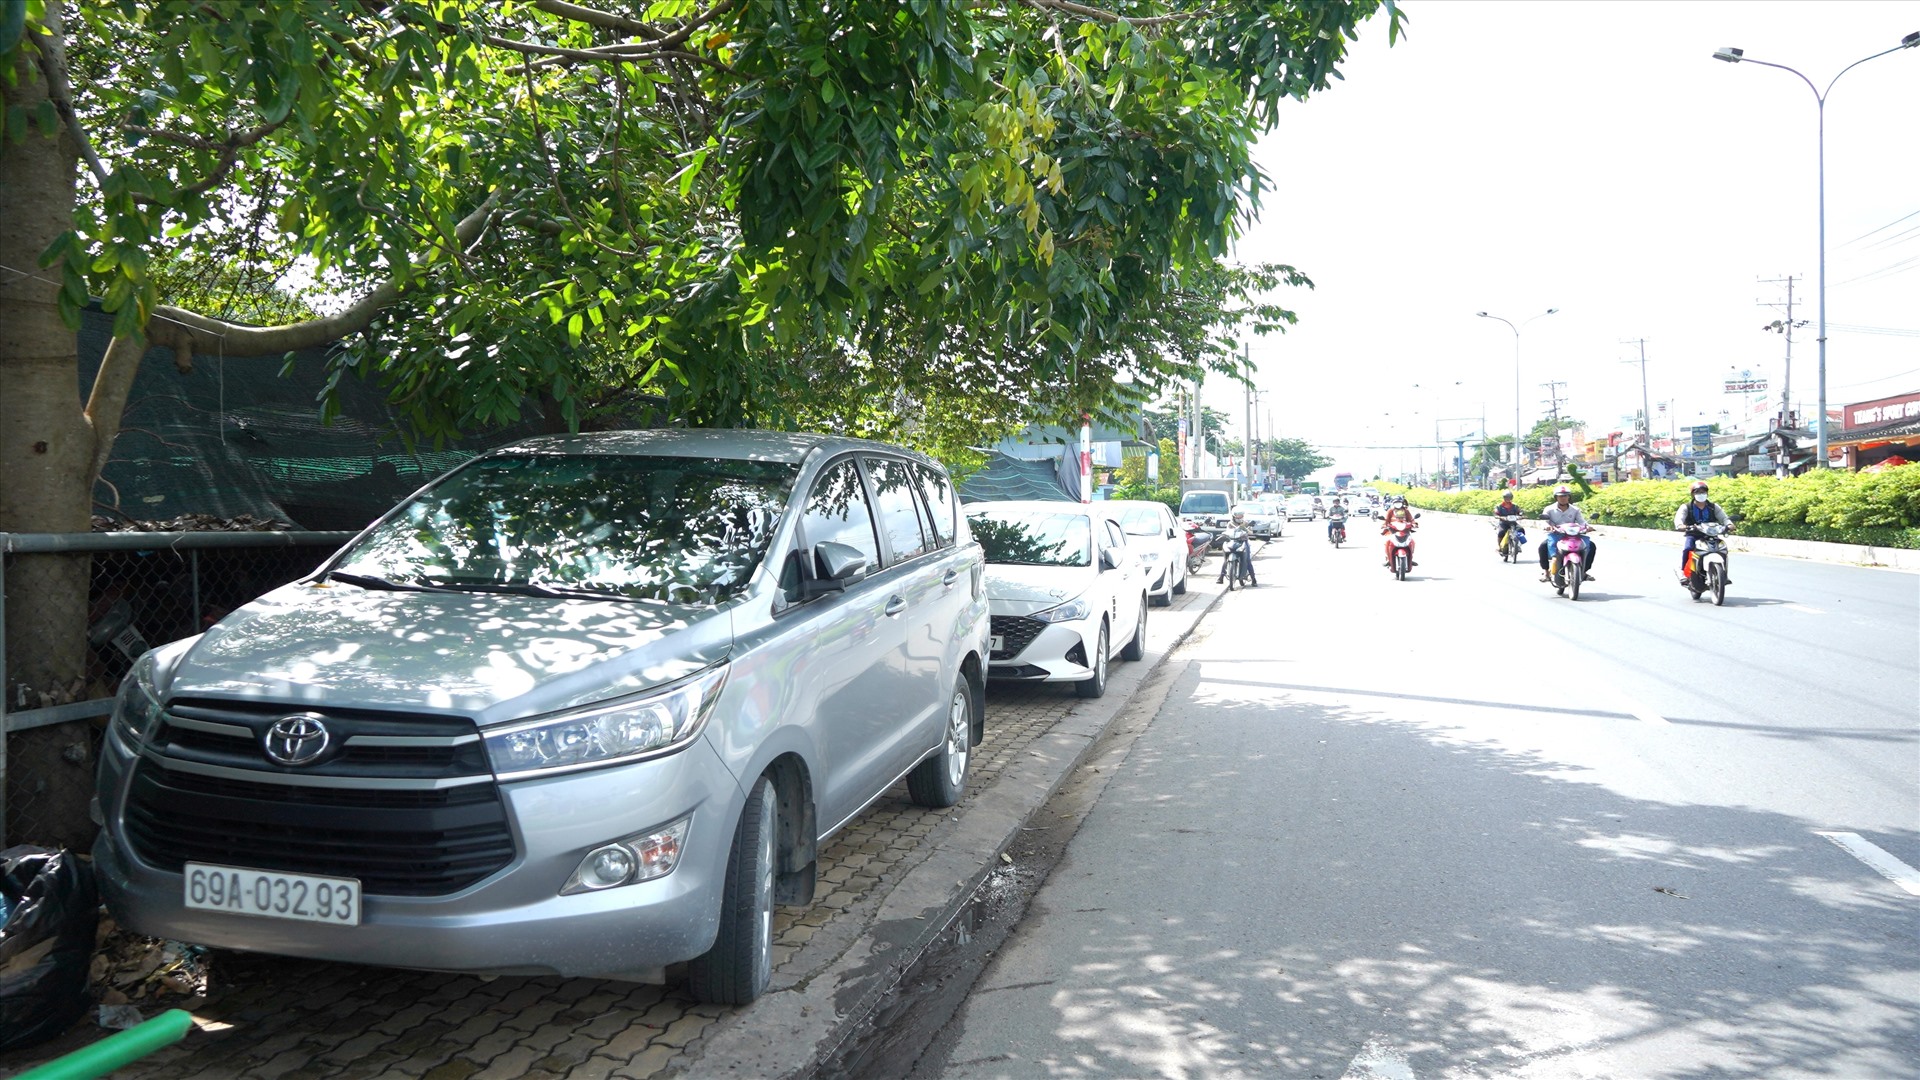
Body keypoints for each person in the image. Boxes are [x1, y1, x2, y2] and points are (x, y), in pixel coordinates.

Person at [1674, 479, 1734, 583]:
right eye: (1698, 492)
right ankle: (1683, 571)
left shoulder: (1713, 507)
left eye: (1703, 492)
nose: (1701, 494)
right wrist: (1681, 525)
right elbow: (1679, 519)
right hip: (1694, 534)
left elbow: (1724, 518)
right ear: (1692, 494)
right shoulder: (1686, 507)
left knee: (1723, 550)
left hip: (1711, 535)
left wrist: (1729, 524)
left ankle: (1724, 575)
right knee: (1688, 548)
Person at [1537, 484, 1597, 581]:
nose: (1563, 498)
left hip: (1572, 535)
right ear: (1556, 497)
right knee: (1543, 546)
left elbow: (1582, 521)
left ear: (1569, 497)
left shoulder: (1575, 509)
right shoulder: (1549, 509)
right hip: (1556, 534)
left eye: (1565, 496)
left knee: (1591, 546)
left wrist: (1588, 527)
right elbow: (1544, 521)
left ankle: (1584, 572)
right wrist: (1547, 526)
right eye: (1560, 496)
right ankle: (1546, 572)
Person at [1216, 509, 1257, 586]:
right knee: (1225, 559)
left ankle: (1253, 578)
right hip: (1232, 541)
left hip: (1243, 542)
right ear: (1234, 516)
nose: (1240, 517)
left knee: (1247, 559)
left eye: (1241, 516)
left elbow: (1251, 532)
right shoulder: (1230, 523)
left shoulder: (1246, 523)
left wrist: (1246, 529)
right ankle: (1221, 576)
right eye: (1238, 516)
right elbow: (1227, 531)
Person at [1380, 496, 1416, 567]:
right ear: (1393, 503)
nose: (1398, 504)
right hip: (1392, 531)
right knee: (1387, 541)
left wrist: (1414, 524)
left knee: (1412, 542)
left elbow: (1411, 520)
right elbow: (1386, 520)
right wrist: (1384, 525)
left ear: (1402, 503)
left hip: (1405, 531)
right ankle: (1388, 559)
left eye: (1399, 502)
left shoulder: (1406, 511)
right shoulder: (1390, 511)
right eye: (1396, 503)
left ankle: (1411, 558)